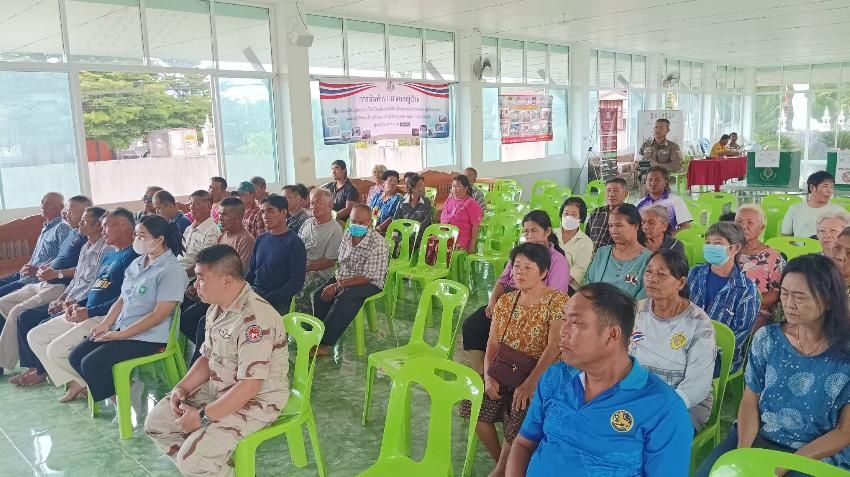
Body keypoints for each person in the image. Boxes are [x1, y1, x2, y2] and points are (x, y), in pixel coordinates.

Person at [506, 282, 692, 476]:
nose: (563, 331)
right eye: (564, 319)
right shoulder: (556, 377)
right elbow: (524, 443)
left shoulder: (664, 408)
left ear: (612, 335)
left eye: (576, 323)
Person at [695, 254, 850, 476]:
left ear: (827, 301)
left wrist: (785, 465)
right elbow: (750, 401)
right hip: (759, 436)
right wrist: (744, 454)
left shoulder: (844, 355)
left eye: (799, 297)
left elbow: (844, 431)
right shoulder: (768, 339)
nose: (789, 304)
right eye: (785, 294)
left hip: (816, 454)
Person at [145, 245, 289, 476]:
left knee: (193, 461)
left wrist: (201, 418)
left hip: (257, 401)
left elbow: (249, 387)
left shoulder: (255, 320)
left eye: (201, 278)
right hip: (220, 387)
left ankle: (202, 465)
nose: (195, 285)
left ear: (226, 280)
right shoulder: (217, 308)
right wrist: (182, 387)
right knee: (158, 424)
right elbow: (207, 356)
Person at [461, 242, 568, 476]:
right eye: (517, 266)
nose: (520, 272)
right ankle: (504, 463)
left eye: (528, 268)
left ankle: (501, 470)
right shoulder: (506, 301)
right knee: (473, 403)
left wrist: (530, 383)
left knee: (522, 407)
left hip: (539, 373)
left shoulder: (558, 301)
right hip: (506, 368)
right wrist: (488, 376)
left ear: (543, 273)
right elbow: (492, 343)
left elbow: (553, 347)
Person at [68, 215, 188, 407]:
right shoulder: (138, 263)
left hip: (149, 337)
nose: (137, 240)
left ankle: (124, 400)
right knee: (75, 356)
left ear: (159, 239)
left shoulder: (171, 270)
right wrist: (105, 324)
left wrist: (121, 335)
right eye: (136, 235)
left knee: (91, 363)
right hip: (123, 328)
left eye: (142, 236)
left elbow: (159, 315)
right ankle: (124, 392)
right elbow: (122, 299)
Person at [27, 209, 139, 400]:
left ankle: (115, 388)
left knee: (56, 351)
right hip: (88, 312)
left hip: (107, 317)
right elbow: (97, 288)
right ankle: (80, 381)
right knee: (36, 336)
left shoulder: (133, 256)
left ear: (123, 225)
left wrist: (89, 312)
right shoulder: (109, 256)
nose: (102, 230)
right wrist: (76, 304)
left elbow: (126, 299)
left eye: (106, 226)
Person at [3, 206, 109, 386]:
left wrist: (71, 301)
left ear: (98, 225)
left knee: (30, 319)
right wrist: (62, 299)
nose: (80, 223)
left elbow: (95, 284)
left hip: (82, 302)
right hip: (68, 295)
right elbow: (77, 279)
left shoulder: (106, 250)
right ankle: (40, 369)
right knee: (25, 316)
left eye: (84, 221)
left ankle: (44, 372)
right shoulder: (85, 246)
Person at [462, 211, 570, 373]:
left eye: (534, 231)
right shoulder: (520, 254)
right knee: (473, 325)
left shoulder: (557, 260)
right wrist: (493, 302)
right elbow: (502, 281)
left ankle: (510, 369)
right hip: (510, 300)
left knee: (515, 338)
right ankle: (484, 372)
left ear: (547, 231)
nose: (530, 235)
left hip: (536, 305)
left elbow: (554, 297)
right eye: (526, 231)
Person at [633, 249, 716, 430]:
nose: (652, 279)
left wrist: (660, 407)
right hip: (640, 395)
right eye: (648, 272)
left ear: (681, 283)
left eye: (661, 274)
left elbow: (697, 385)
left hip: (683, 403)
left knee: (644, 435)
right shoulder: (636, 311)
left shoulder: (699, 324)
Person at [181, 197, 256, 366]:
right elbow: (211, 269)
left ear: (239, 217)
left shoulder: (245, 240)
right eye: (220, 214)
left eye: (225, 215)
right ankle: (213, 350)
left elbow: (238, 277)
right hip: (215, 290)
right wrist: (198, 285)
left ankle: (209, 358)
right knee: (185, 316)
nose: (220, 218)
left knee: (201, 322)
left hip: (230, 295)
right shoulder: (222, 237)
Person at [312, 204, 387, 357]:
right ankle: (318, 335)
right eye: (353, 221)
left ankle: (325, 344)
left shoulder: (378, 244)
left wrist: (338, 285)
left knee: (344, 298)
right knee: (319, 295)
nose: (356, 225)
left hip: (369, 282)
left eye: (361, 222)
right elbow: (342, 260)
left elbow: (368, 276)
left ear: (369, 223)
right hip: (346, 275)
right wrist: (337, 283)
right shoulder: (348, 233)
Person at [688, 222, 760, 372]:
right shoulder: (694, 273)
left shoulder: (746, 290)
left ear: (735, 248)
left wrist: (703, 349)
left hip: (720, 356)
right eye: (708, 242)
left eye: (717, 243)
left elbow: (739, 334)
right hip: (685, 343)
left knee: (684, 371)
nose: (710, 247)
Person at [0, 193, 75, 298]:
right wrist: (27, 265)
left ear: (60, 207)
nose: (43, 206)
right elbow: (39, 255)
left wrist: (38, 270)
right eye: (42, 202)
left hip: (35, 280)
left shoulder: (62, 228)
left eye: (48, 204)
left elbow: (65, 258)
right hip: (23, 274)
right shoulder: (47, 226)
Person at [246, 196, 306, 313]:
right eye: (262, 212)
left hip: (277, 302)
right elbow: (252, 271)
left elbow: (296, 281)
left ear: (283, 212)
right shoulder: (261, 239)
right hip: (255, 294)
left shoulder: (294, 243)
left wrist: (270, 299)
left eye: (270, 211)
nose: (265, 216)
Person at [735, 204, 785, 330]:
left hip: (756, 311)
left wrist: (747, 302)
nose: (743, 226)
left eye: (750, 222)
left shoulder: (773, 257)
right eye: (739, 221)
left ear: (761, 228)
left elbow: (776, 292)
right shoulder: (728, 250)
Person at [586, 203, 651, 299]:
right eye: (610, 225)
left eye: (619, 225)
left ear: (636, 226)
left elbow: (644, 298)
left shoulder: (649, 259)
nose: (613, 230)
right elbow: (589, 287)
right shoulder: (602, 253)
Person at [294, 188, 343, 315]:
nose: (314, 206)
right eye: (312, 203)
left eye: (318, 203)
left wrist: (304, 267)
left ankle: (305, 323)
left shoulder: (335, 230)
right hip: (302, 267)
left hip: (320, 273)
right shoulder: (307, 222)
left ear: (330, 205)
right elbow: (297, 245)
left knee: (300, 287)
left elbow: (329, 261)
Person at [781, 171, 845, 238]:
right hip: (799, 244)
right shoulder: (795, 209)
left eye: (832, 187)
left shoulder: (839, 211)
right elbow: (785, 236)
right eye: (825, 186)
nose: (829, 191)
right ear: (812, 187)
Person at [635, 167, 693, 232]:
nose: (653, 183)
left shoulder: (675, 201)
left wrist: (671, 237)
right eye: (649, 180)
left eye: (657, 180)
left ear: (665, 183)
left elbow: (686, 226)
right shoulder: (639, 203)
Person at [179, 190, 220, 276]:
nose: (192, 207)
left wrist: (181, 275)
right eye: (191, 204)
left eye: (196, 204)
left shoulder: (212, 231)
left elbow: (204, 264)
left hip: (192, 276)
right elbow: (181, 254)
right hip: (179, 270)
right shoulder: (189, 229)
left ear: (209, 206)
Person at [441, 174, 483, 253]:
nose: (454, 189)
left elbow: (476, 226)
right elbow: (443, 218)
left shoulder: (471, 204)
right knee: (429, 244)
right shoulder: (449, 200)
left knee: (442, 249)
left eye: (458, 186)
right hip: (445, 235)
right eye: (453, 186)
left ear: (466, 188)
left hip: (460, 239)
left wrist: (472, 245)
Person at [558, 197, 593, 291]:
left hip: (568, 287)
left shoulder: (586, 242)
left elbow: (577, 272)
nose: (568, 217)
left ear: (581, 218)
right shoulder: (551, 234)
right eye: (566, 213)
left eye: (574, 215)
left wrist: (554, 287)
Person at [585, 177, 629, 251]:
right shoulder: (596, 212)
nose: (611, 194)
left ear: (625, 194)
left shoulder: (629, 215)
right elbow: (586, 237)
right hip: (591, 256)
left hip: (614, 256)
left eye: (615, 191)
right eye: (608, 190)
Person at [392, 173, 432, 249]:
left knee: (407, 244)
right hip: (404, 233)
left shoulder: (426, 202)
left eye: (423, 185)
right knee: (392, 244)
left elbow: (426, 222)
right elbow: (396, 220)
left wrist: (412, 231)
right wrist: (395, 234)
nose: (423, 188)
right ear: (412, 188)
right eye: (420, 185)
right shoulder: (402, 202)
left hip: (419, 234)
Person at [369, 169, 403, 234]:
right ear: (383, 182)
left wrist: (378, 229)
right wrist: (371, 226)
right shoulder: (377, 196)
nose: (393, 183)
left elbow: (392, 217)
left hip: (387, 232)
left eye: (395, 181)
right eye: (390, 180)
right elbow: (374, 213)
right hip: (374, 228)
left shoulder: (397, 198)